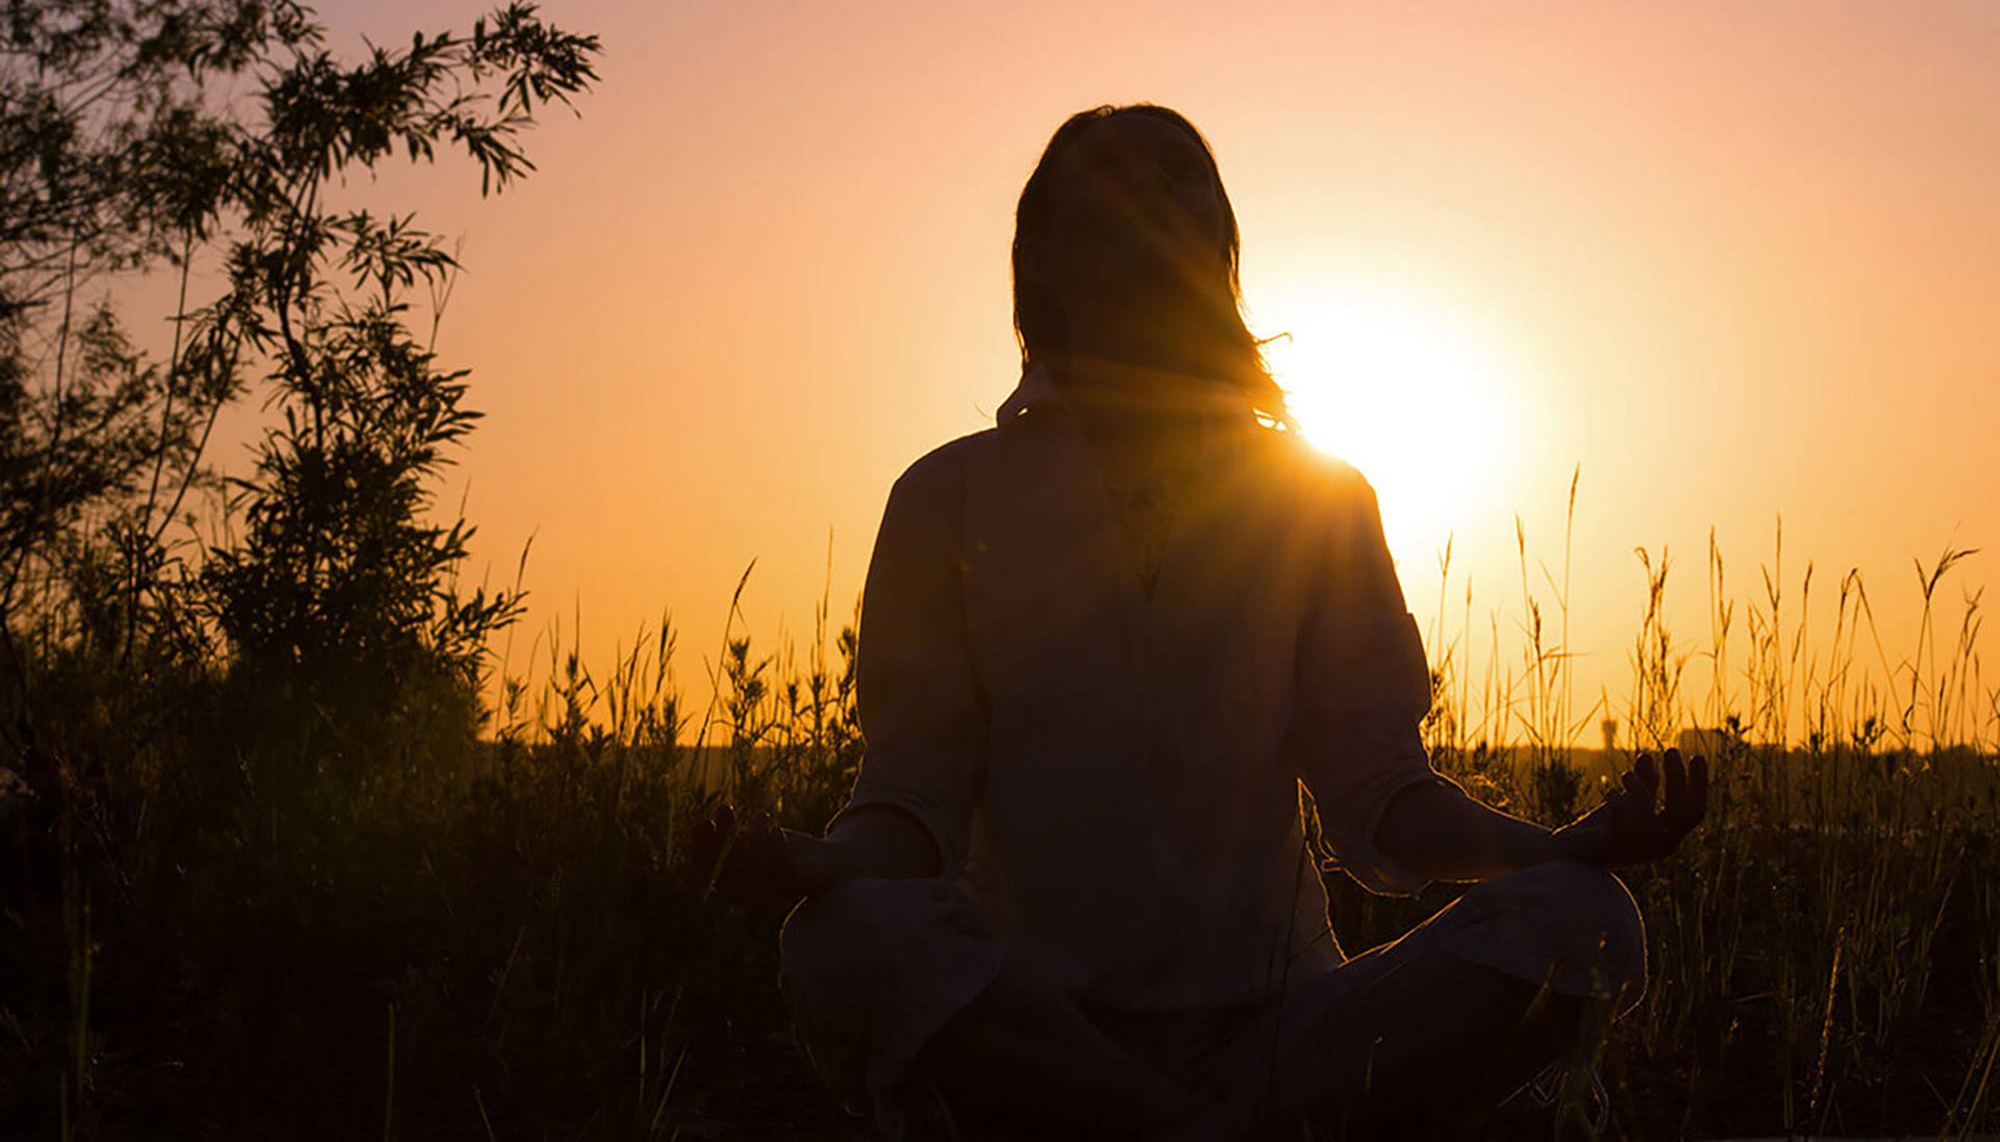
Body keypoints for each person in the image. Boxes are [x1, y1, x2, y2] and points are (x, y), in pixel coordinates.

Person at [694, 104, 1708, 1140]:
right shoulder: (945, 499)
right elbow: (912, 800)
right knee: (838, 937)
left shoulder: (1315, 497)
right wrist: (821, 864)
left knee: (1587, 918)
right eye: (1110, 180)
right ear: (1041, 257)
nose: (1148, 198)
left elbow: (1381, 797)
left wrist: (1559, 847)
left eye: (1177, 179)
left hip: (1280, 1031)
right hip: (1040, 1037)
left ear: (1217, 247)